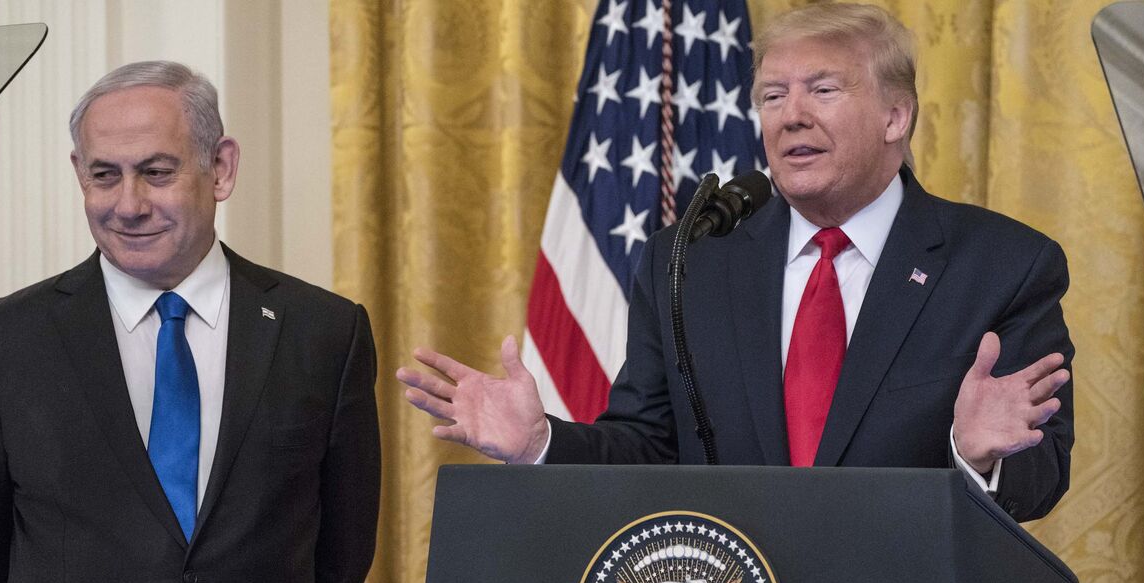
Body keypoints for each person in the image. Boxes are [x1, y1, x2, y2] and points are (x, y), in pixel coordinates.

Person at [397, 3, 1072, 522]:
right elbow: (653, 447)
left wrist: (975, 454)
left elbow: (1041, 479)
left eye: (823, 90)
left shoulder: (1002, 267)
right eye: (772, 97)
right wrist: (544, 443)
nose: (791, 117)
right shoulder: (688, 262)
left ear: (897, 115)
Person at [0, 61, 379, 583]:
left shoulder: (324, 331)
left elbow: (343, 548)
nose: (128, 204)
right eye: (103, 175)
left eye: (158, 171)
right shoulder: (3, 342)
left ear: (221, 168)